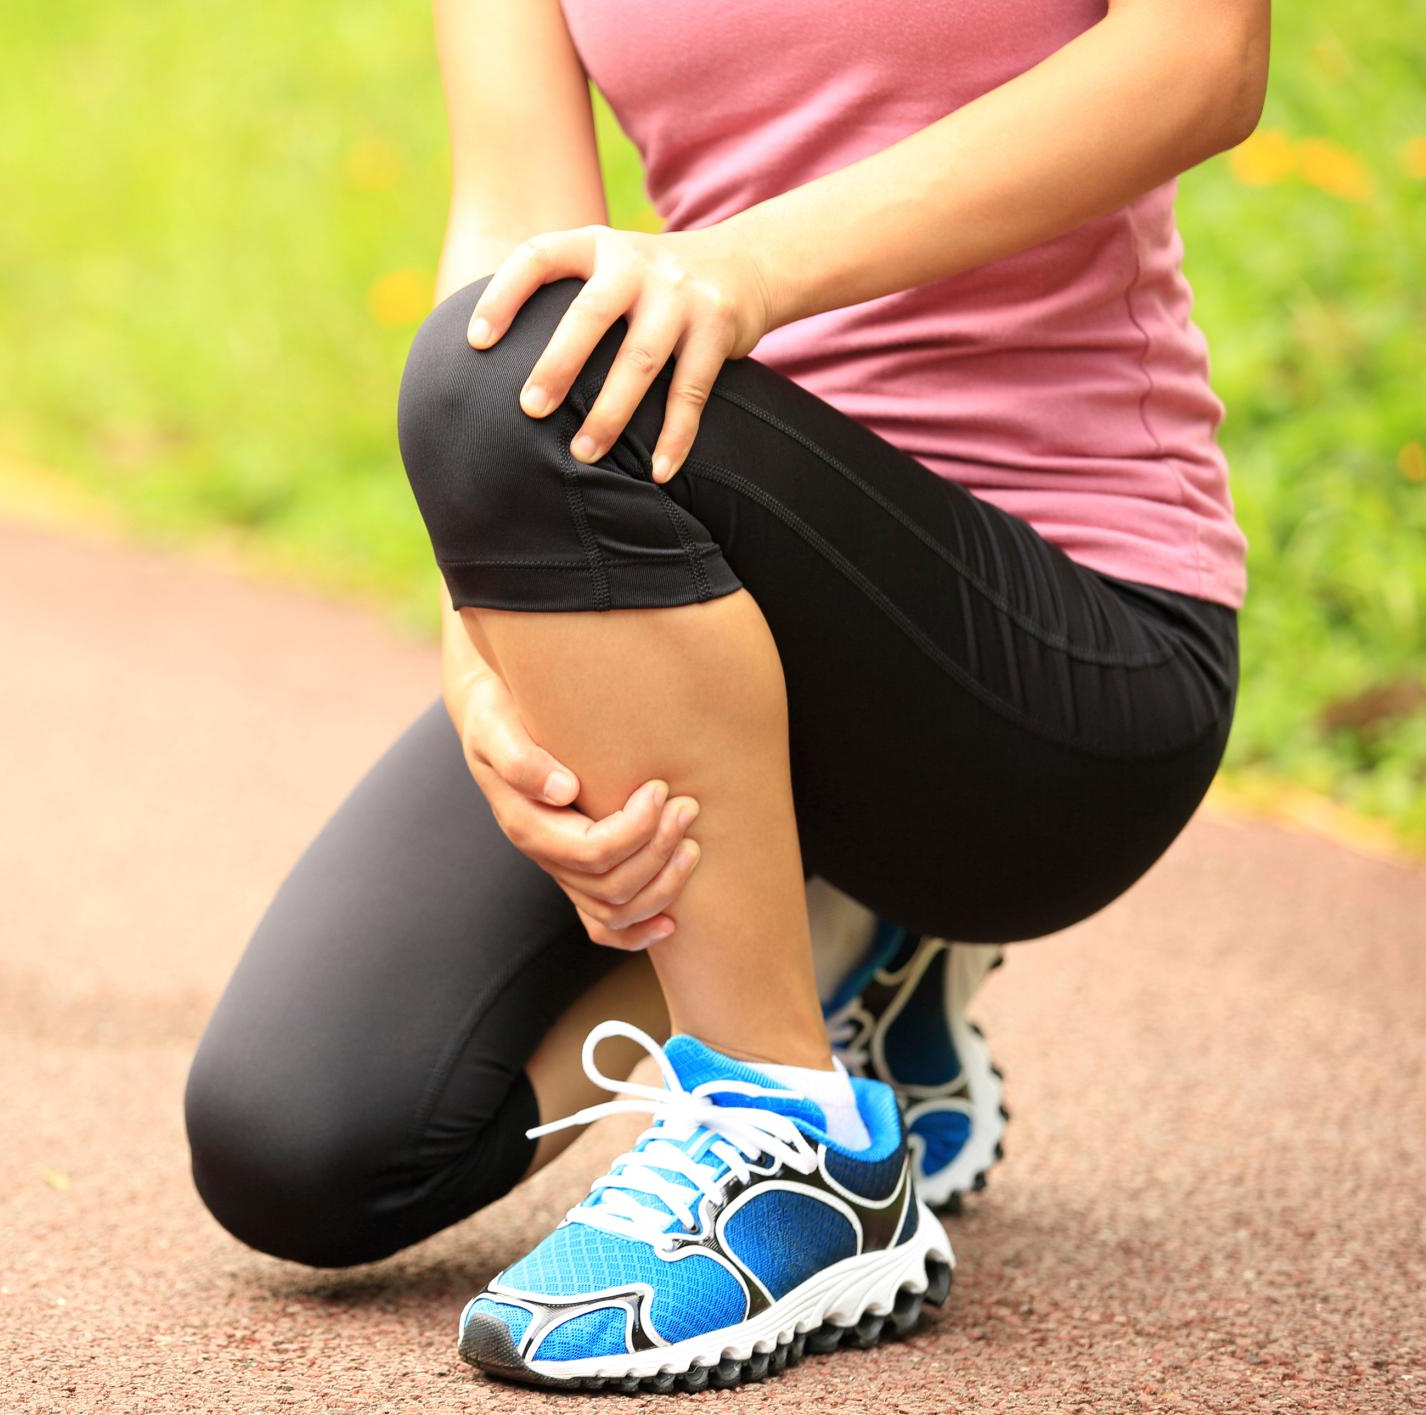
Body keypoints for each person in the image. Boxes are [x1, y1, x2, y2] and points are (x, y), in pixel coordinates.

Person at [186, 0, 1267, 1392]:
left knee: (529, 375)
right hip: (681, 585)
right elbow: (505, 270)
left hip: (1066, 659)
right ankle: (829, 951)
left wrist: (744, 270)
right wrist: (485, 659)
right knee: (303, 1143)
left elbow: (1199, 60)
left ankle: (793, 1140)